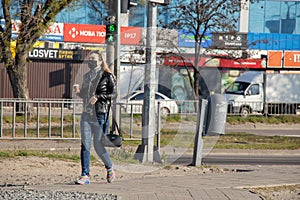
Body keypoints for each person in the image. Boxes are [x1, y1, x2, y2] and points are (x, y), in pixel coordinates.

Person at [74, 50, 117, 185]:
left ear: (100, 61)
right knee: (85, 145)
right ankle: (85, 175)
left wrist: (99, 97)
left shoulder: (107, 76)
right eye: (89, 59)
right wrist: (79, 92)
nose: (90, 61)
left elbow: (114, 95)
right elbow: (85, 95)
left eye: (93, 59)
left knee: (98, 146)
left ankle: (109, 167)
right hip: (87, 114)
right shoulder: (87, 76)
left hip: (100, 114)